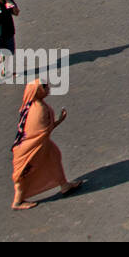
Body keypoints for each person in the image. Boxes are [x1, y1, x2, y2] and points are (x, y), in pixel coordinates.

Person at [11, 80, 82, 210]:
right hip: (31, 150)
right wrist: (59, 121)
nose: (48, 88)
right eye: (44, 87)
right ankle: (17, 202)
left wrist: (58, 121)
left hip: (35, 146)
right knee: (23, 175)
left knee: (54, 157)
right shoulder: (40, 110)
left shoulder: (30, 105)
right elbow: (43, 132)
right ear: (37, 91)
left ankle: (64, 185)